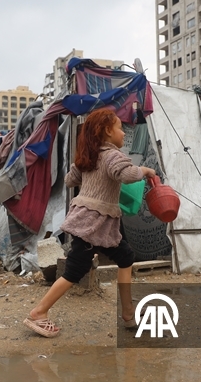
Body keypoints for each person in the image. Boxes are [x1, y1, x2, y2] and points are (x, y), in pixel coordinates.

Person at [24, 109, 156, 337]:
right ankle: (38, 312)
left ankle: (127, 313)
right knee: (75, 270)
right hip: (90, 223)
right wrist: (145, 170)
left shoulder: (91, 156)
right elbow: (127, 175)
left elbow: (69, 180)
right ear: (107, 131)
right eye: (119, 128)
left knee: (125, 257)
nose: (124, 133)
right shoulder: (112, 156)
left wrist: (85, 170)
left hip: (99, 224)